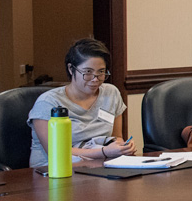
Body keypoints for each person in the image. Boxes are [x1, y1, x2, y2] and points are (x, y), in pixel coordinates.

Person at [28, 38, 135, 167]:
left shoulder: (111, 93)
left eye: (101, 72)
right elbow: (56, 152)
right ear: (71, 69)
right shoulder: (48, 102)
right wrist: (104, 151)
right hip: (55, 169)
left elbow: (117, 137)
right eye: (88, 72)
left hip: (100, 167)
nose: (95, 79)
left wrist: (122, 147)